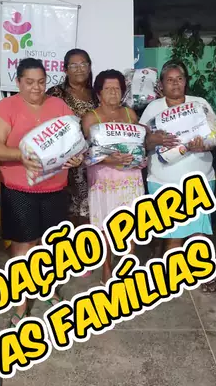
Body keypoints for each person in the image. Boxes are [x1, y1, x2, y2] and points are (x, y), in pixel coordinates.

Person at [0, 58, 83, 327]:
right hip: (20, 190)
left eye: (41, 82)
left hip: (55, 188)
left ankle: (47, 290)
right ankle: (20, 303)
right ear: (18, 82)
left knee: (48, 244)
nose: (36, 88)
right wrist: (21, 155)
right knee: (23, 246)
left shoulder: (58, 105)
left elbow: (74, 140)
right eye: (29, 82)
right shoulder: (6, 108)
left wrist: (76, 156)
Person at [139, 60, 216, 293]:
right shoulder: (153, 108)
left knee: (198, 231)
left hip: (200, 179)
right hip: (163, 180)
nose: (175, 84)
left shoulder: (199, 104)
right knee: (172, 231)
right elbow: (141, 142)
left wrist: (205, 144)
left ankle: (203, 272)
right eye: (170, 80)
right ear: (161, 85)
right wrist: (153, 140)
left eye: (179, 79)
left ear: (185, 82)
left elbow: (215, 136)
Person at [81, 70, 144, 284]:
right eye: (108, 89)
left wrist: (139, 157)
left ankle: (128, 267)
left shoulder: (130, 114)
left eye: (117, 88)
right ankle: (106, 268)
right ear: (99, 93)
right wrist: (109, 159)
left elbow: (138, 145)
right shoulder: (91, 117)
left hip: (131, 179)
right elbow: (86, 153)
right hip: (104, 180)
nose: (113, 93)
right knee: (105, 226)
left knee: (131, 225)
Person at [47, 49, 97, 227]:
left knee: (89, 214)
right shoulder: (56, 93)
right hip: (66, 163)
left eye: (83, 64)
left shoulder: (97, 94)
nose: (79, 69)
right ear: (65, 69)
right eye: (74, 65)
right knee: (67, 216)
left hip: (91, 161)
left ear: (89, 67)